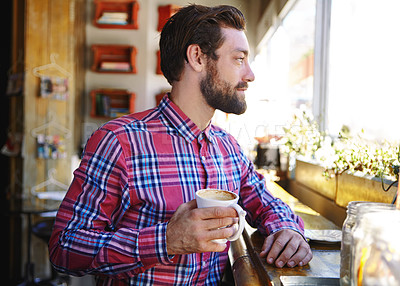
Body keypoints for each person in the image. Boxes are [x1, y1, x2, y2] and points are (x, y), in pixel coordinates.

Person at [49, 4, 312, 285]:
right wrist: (166, 240)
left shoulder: (229, 148)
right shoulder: (119, 142)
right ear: (197, 57)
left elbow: (269, 203)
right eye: (239, 59)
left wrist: (287, 230)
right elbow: (65, 248)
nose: (250, 74)